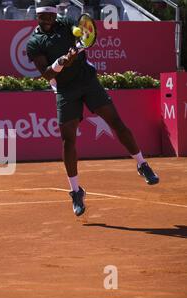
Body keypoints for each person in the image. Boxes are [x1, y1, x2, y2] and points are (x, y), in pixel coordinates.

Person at [26, 0, 159, 217]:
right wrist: (62, 61)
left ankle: (142, 164)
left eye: (50, 17)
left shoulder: (67, 22)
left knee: (116, 122)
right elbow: (47, 74)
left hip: (88, 82)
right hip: (65, 90)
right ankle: (76, 191)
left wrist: (78, 47)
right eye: (43, 17)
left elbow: (83, 36)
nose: (48, 20)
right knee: (68, 140)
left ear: (54, 15)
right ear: (37, 17)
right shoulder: (34, 42)